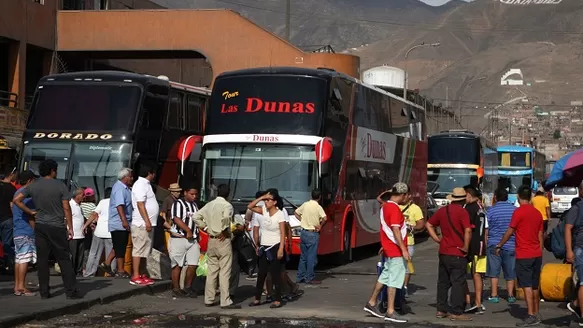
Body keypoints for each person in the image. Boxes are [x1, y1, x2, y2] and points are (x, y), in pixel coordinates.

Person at [13, 159, 80, 299]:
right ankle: (71, 291)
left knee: (42, 261)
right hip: (56, 226)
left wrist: (30, 212)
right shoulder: (60, 185)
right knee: (63, 259)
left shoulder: (34, 186)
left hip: (40, 226)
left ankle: (44, 292)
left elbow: (16, 200)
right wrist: (70, 227)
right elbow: (66, 208)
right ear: (52, 171)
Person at [495, 185, 544, 327]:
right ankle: (536, 312)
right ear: (530, 197)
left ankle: (530, 315)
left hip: (524, 254)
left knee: (526, 285)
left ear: (518, 196)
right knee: (535, 285)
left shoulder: (519, 212)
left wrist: (500, 245)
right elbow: (540, 234)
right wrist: (539, 250)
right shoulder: (537, 213)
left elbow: (510, 231)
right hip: (536, 253)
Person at [363, 182, 410, 323]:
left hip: (389, 247)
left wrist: (385, 245)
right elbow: (396, 230)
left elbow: (388, 229)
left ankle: (371, 303)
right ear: (402, 195)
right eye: (407, 195)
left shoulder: (385, 206)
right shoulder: (395, 209)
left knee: (384, 276)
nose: (408, 198)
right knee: (394, 280)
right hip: (395, 250)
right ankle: (390, 311)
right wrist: (403, 249)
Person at [425, 187, 472, 321]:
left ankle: (441, 309)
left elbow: (429, 224)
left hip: (444, 251)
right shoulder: (463, 212)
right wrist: (466, 247)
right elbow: (468, 231)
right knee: (458, 282)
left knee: (443, 282)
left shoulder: (442, 211)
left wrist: (436, 239)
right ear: (463, 199)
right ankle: (456, 312)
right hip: (458, 252)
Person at [193, 184, 240, 309]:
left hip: (211, 240)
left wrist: (207, 228)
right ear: (228, 194)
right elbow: (226, 218)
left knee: (212, 271)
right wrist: (224, 231)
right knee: (224, 272)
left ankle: (209, 299)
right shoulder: (227, 205)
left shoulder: (209, 205)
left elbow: (195, 217)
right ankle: (225, 301)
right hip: (223, 241)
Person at [248, 190, 287, 309]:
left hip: (275, 246)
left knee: (275, 274)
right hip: (264, 247)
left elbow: (282, 232)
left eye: (268, 200)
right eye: (265, 200)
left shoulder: (280, 214)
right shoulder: (263, 211)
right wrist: (262, 197)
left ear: (275, 202)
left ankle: (277, 300)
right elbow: (250, 206)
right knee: (261, 274)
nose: (266, 202)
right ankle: (257, 299)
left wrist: (281, 249)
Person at [100, 168, 133, 278]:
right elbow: (119, 205)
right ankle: (120, 270)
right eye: (131, 176)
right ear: (125, 177)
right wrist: (124, 221)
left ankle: (107, 263)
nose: (132, 178)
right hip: (119, 222)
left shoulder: (126, 188)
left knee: (119, 245)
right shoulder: (119, 188)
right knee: (120, 247)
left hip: (123, 221)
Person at [485, 188, 517, 304]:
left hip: (493, 243)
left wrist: (486, 244)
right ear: (507, 197)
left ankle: (494, 295)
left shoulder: (490, 211)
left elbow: (486, 230)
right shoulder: (514, 210)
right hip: (511, 244)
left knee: (494, 271)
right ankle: (510, 295)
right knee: (510, 271)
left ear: (495, 197)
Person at [130, 161, 159, 286]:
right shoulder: (140, 184)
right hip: (141, 223)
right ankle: (135, 275)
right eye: (154, 173)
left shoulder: (146, 185)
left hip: (148, 224)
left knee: (145, 251)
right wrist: (147, 220)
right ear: (150, 173)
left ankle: (142, 274)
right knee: (138, 250)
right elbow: (140, 204)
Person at [169, 186, 200, 298]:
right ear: (185, 192)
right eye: (192, 194)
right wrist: (187, 230)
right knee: (177, 264)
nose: (194, 196)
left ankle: (188, 286)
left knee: (193, 263)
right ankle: (176, 288)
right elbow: (176, 218)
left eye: (195, 194)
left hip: (193, 240)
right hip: (179, 238)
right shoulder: (178, 204)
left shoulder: (195, 205)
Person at [463, 185, 488, 314]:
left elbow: (467, 229)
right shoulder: (481, 208)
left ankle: (469, 301)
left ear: (468, 195)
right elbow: (485, 229)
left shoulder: (468, 208)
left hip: (472, 246)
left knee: (464, 274)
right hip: (482, 246)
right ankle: (478, 302)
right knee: (478, 275)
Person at [295, 189, 327, 285]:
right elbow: (325, 218)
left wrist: (303, 220)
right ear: (320, 197)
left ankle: (300, 277)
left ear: (311, 196)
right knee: (311, 257)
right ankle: (309, 277)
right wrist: (320, 226)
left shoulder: (305, 204)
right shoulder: (318, 207)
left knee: (303, 256)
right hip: (312, 233)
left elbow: (296, 213)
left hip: (304, 232)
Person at [12, 170, 37, 296]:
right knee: (25, 259)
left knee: (19, 259)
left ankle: (17, 286)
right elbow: (32, 218)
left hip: (17, 230)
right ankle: (22, 287)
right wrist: (34, 231)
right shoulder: (27, 196)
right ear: (30, 180)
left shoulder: (17, 192)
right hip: (25, 230)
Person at [83, 188, 116, 277]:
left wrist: (85, 225)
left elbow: (94, 214)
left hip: (99, 232)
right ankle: (111, 273)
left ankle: (89, 273)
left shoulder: (102, 202)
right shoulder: (117, 202)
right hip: (111, 233)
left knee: (93, 254)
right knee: (111, 255)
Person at [565, 182, 583, 322]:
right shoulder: (576, 208)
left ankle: (576, 304)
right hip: (580, 249)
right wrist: (569, 250)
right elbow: (567, 229)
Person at [0, 166, 17, 272]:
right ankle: (8, 265)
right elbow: (12, 205)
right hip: (7, 219)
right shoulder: (12, 188)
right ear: (11, 175)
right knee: (7, 243)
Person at [69, 188, 86, 276]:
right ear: (78, 195)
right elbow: (65, 220)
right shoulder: (70, 205)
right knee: (73, 255)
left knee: (80, 256)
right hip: (73, 235)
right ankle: (71, 272)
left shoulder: (79, 206)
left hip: (81, 235)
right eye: (83, 195)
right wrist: (68, 231)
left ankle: (78, 272)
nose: (84, 197)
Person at [161, 183, 182, 252]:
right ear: (172, 192)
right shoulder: (167, 200)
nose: (179, 193)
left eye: (179, 191)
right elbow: (163, 213)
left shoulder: (179, 200)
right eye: (177, 191)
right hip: (170, 226)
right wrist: (167, 226)